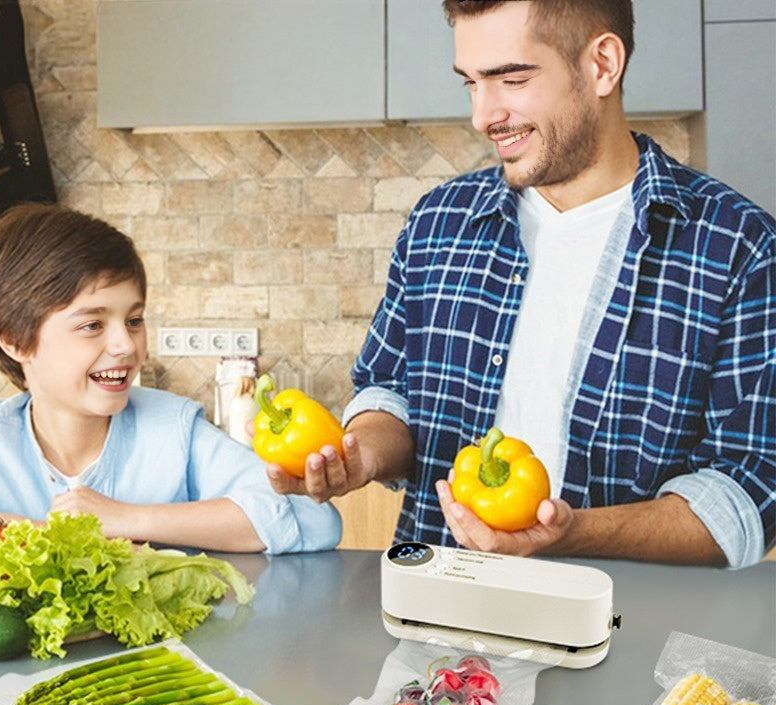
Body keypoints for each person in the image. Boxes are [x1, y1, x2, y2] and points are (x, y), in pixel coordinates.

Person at [264, 0, 775, 569]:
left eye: (511, 79)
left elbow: (744, 498)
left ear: (602, 65)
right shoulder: (440, 222)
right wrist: (360, 457)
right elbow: (392, 393)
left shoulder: (735, 246)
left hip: (627, 625)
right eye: (471, 84)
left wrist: (572, 532)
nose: (484, 116)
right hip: (441, 612)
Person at [0, 203, 341, 554]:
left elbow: (312, 518)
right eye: (92, 325)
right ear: (14, 338)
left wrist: (126, 518)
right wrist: (46, 534)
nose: (125, 345)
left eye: (134, 320)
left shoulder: (174, 430)